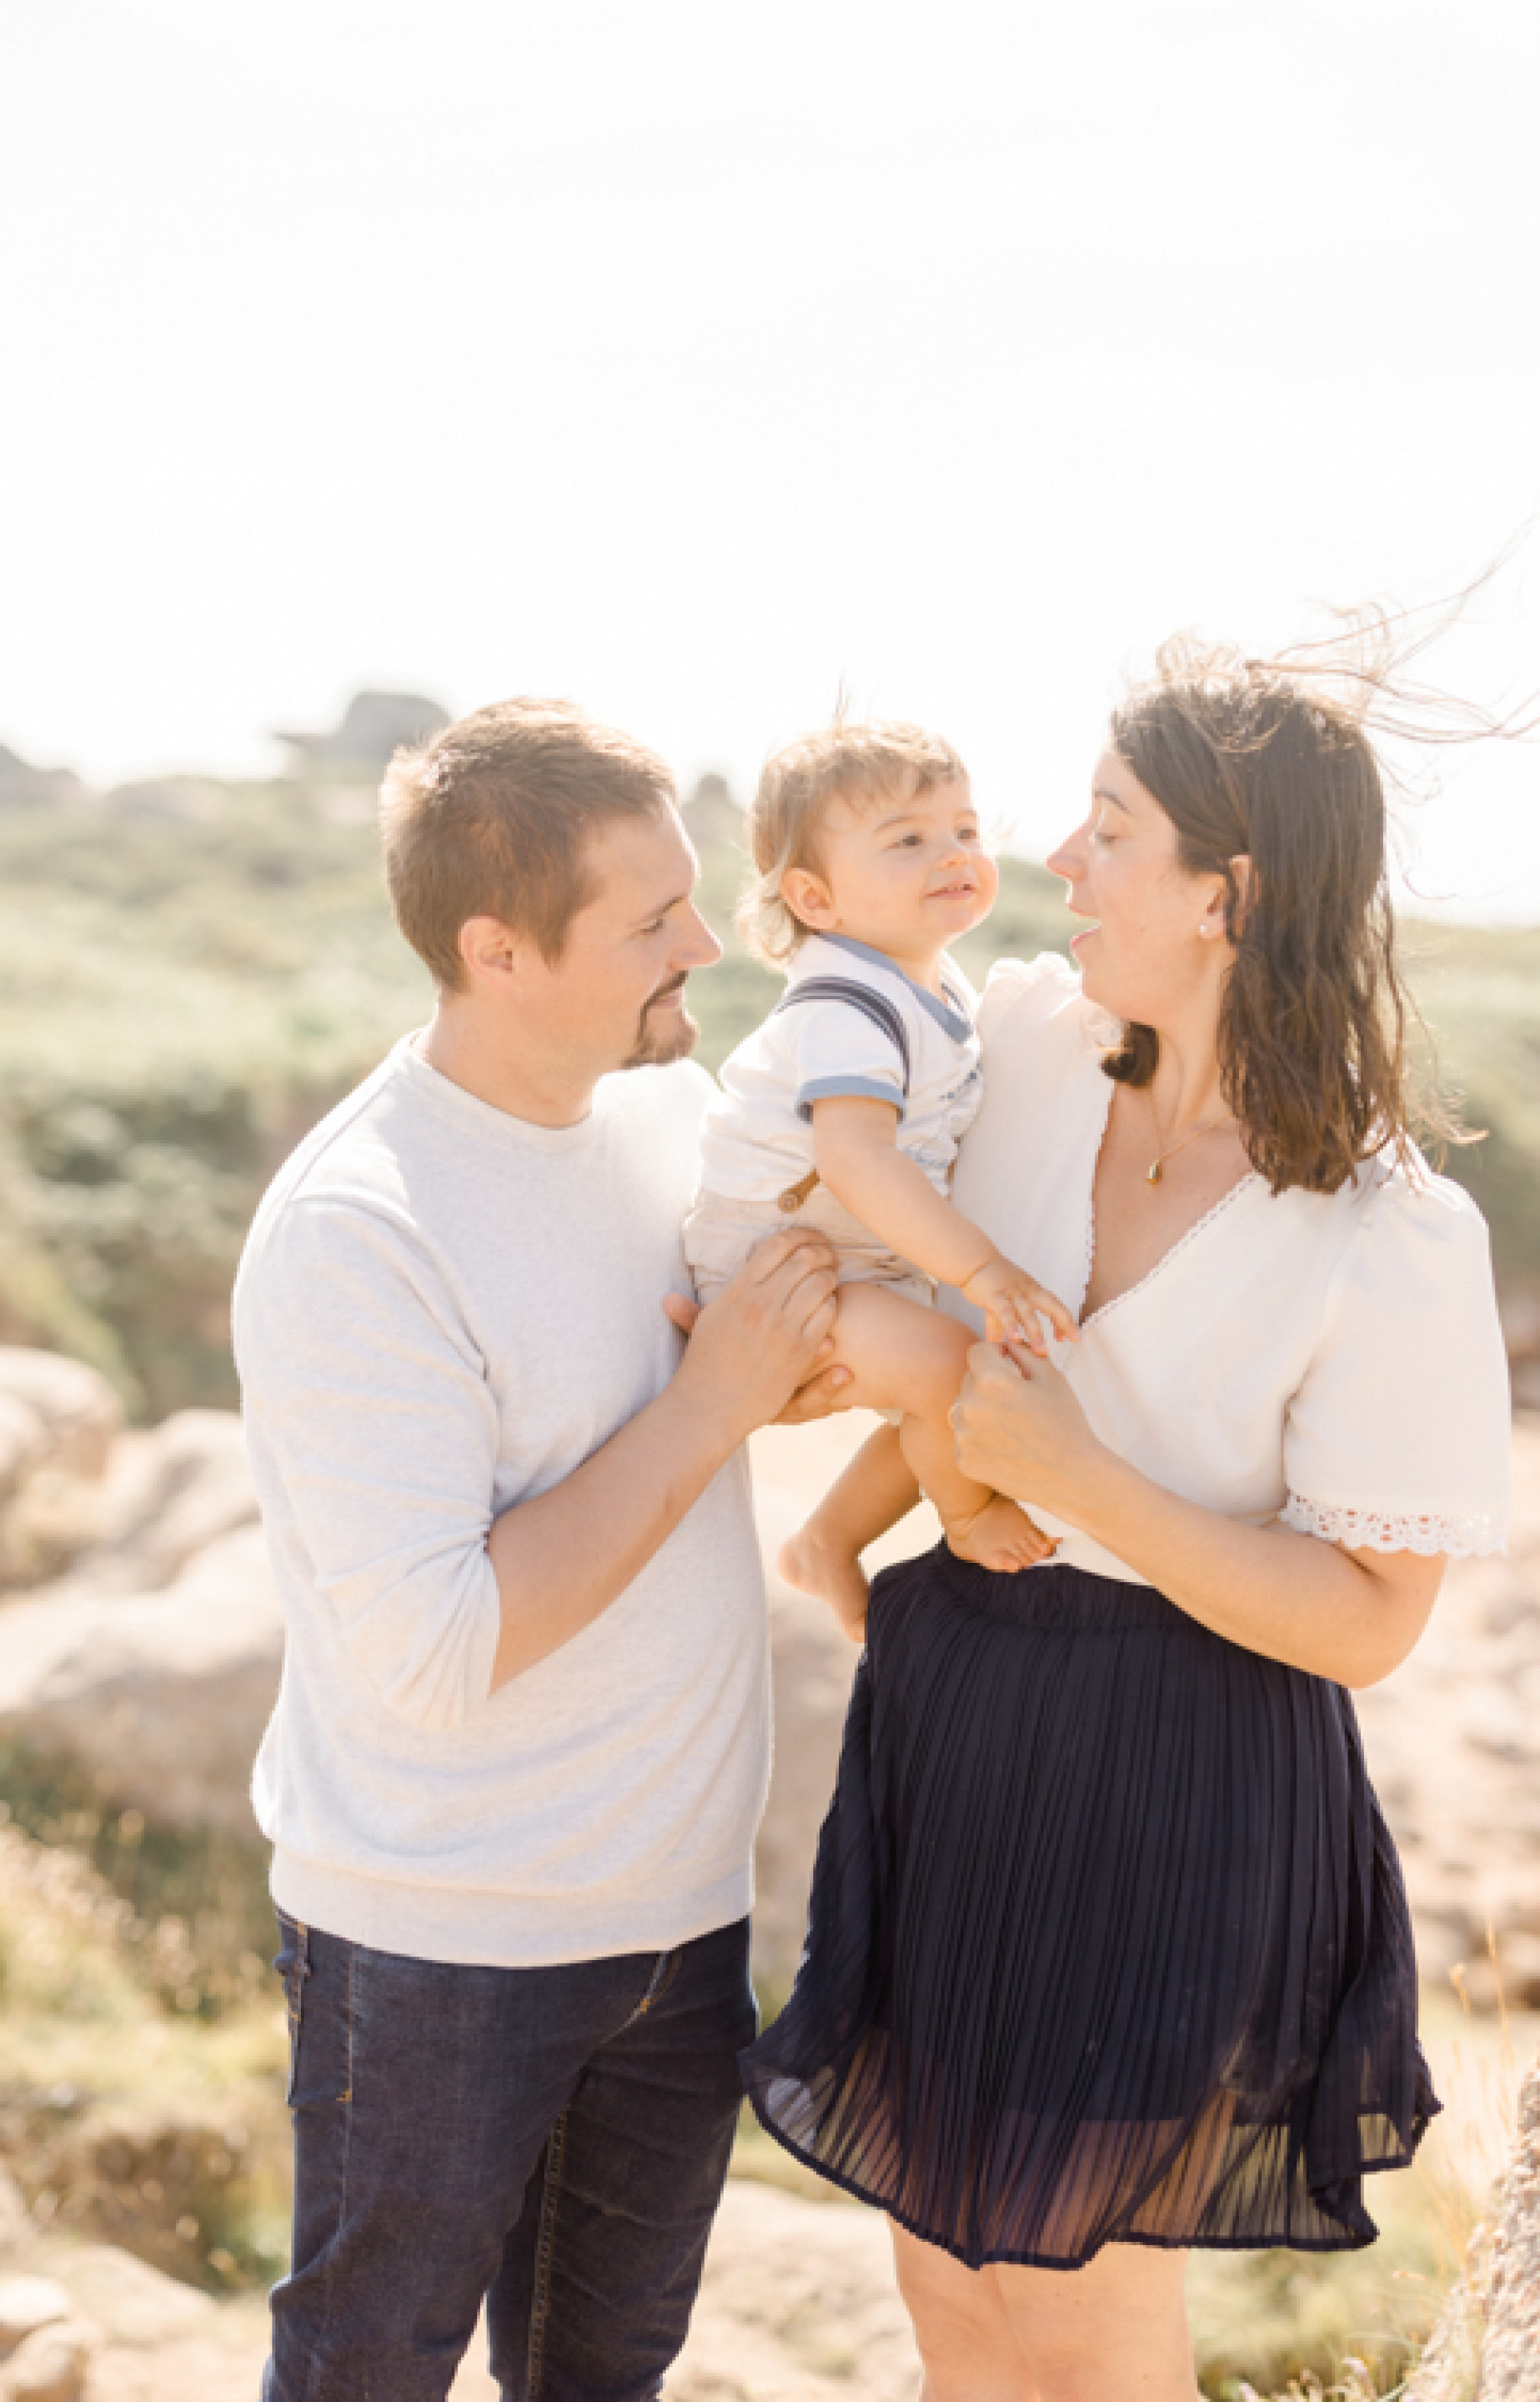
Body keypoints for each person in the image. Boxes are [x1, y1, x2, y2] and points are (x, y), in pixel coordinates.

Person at [741, 641, 1512, 2401]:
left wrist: (1091, 1483)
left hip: (1180, 1762)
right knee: (949, 2285)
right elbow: (817, 1181)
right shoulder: (1016, 1046)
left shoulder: (1387, 1229)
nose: (1056, 863)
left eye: (1107, 829)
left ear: (1224, 894)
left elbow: (1371, 1622)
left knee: (1081, 2318)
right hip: (960, 1716)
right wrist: (793, 1355)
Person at [233, 697, 843, 2402]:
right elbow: (441, 1651)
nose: (705, 945)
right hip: (440, 1950)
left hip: (682, 1920)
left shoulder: (669, 1116)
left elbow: (753, 1365)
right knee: (365, 2374)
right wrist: (714, 1400)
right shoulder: (359, 1232)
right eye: (653, 923)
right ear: (496, 951)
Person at [683, 719, 1075, 1638]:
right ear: (815, 898)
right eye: (908, 840)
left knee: (954, 1382)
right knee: (952, 1370)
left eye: (965, 830)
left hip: (848, 1253)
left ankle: (825, 1541)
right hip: (774, 1272)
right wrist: (981, 1269)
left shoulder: (928, 984)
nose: (954, 854)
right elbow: (855, 1156)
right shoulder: (846, 1006)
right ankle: (965, 1520)